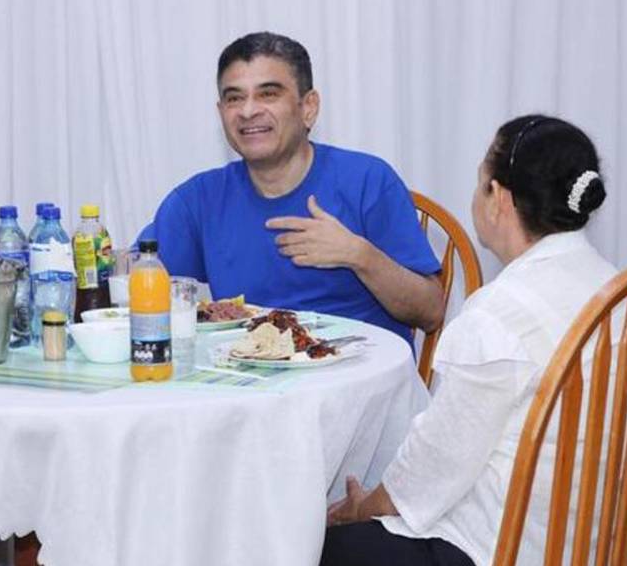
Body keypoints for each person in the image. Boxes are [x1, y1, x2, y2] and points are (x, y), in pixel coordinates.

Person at [314, 115, 613, 566]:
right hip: (589, 565)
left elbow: (435, 467)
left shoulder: (500, 315)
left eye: (480, 180)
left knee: (304, 549)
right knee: (362, 544)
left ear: (498, 197)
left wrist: (362, 508)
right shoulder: (615, 288)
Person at [144, 31, 443, 343]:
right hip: (252, 380)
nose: (248, 111)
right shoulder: (198, 201)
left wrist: (358, 255)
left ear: (308, 107)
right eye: (234, 98)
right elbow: (133, 278)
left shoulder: (368, 181)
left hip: (357, 381)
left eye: (268, 94)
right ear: (221, 113)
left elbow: (431, 311)